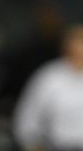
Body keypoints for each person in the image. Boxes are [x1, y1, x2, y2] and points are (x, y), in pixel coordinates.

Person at [12, 22, 83, 151]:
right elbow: (26, 119)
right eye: (78, 40)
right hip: (57, 146)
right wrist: (34, 145)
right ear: (67, 44)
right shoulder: (48, 76)